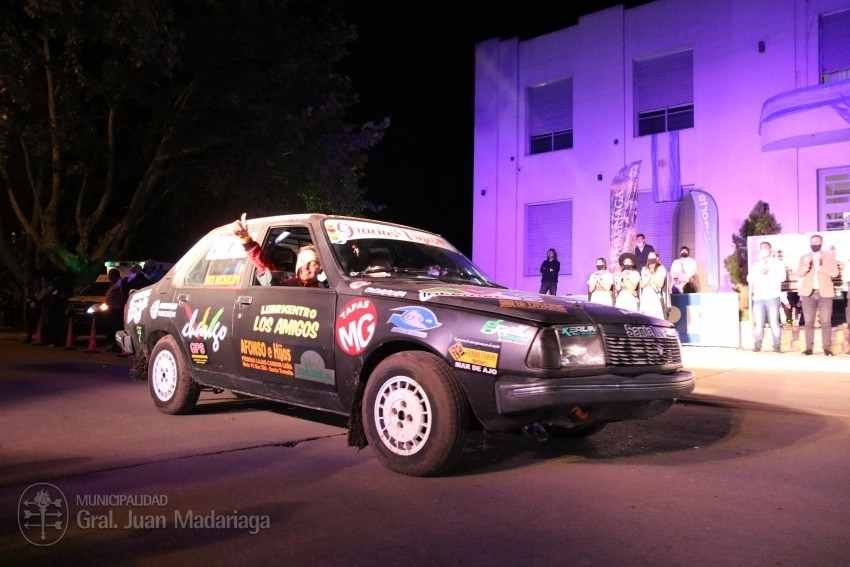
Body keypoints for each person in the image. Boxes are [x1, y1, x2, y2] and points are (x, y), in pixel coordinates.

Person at [232, 214, 326, 287]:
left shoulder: (325, 289)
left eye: (313, 263)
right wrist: (246, 240)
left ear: (321, 269)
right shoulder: (290, 285)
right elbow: (266, 270)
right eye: (302, 261)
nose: (305, 266)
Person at [795, 234, 839, 355]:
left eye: (817, 242)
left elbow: (835, 273)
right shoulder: (804, 257)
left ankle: (827, 348)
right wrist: (805, 266)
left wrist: (820, 268)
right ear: (810, 244)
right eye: (812, 243)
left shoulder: (829, 257)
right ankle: (809, 348)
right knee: (808, 322)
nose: (815, 245)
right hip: (808, 294)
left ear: (821, 243)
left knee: (825, 322)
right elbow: (798, 274)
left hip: (825, 293)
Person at [746, 241, 785, 353]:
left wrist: (769, 272)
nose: (764, 250)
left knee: (774, 322)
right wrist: (759, 273)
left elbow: (782, 277)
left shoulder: (777, 263)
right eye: (761, 248)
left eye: (766, 248)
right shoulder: (756, 264)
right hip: (758, 297)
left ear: (770, 249)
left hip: (772, 296)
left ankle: (777, 346)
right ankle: (757, 345)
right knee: (759, 323)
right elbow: (749, 279)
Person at [639, 251, 667, 319]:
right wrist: (648, 276)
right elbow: (642, 285)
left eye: (653, 258)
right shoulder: (644, 269)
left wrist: (651, 275)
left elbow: (660, 284)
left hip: (655, 293)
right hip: (646, 293)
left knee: (655, 315)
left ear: (657, 258)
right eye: (649, 258)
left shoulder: (661, 268)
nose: (651, 259)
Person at [104, 268, 126, 352]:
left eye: (110, 275)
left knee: (117, 328)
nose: (109, 277)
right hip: (113, 309)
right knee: (113, 328)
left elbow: (122, 296)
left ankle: (118, 346)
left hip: (117, 309)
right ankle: (115, 345)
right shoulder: (114, 284)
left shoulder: (120, 284)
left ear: (115, 275)